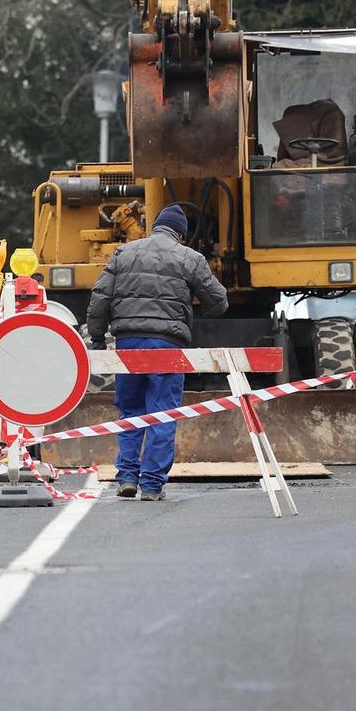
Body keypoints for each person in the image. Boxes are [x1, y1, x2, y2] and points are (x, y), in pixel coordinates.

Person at [86, 203, 228, 501]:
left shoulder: (125, 252)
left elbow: (101, 296)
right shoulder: (190, 257)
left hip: (128, 344)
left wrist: (98, 337)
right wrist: (193, 311)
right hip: (166, 344)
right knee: (162, 412)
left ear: (155, 227)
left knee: (130, 411)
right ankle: (151, 484)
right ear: (181, 234)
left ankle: (126, 476)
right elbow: (219, 301)